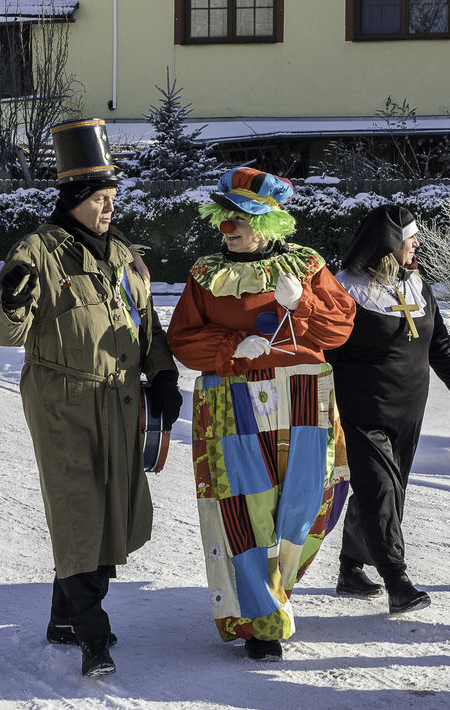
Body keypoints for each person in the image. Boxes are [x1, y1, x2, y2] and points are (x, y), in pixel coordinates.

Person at [0, 118, 182, 678]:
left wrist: (164, 377)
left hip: (118, 401)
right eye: (101, 197)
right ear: (75, 199)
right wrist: (13, 298)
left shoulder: (121, 254)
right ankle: (93, 635)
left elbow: (147, 323)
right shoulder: (38, 250)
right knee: (77, 511)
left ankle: (63, 619)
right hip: (62, 401)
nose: (110, 206)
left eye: (114, 197)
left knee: (112, 508)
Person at [166, 167, 356, 661]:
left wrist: (306, 302)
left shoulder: (307, 266)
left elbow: (339, 333)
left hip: (303, 399)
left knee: (304, 501)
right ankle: (262, 620)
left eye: (242, 219)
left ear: (270, 224)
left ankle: (278, 590)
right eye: (225, 218)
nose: (229, 229)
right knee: (243, 510)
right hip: (233, 400)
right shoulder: (207, 272)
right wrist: (232, 344)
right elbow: (182, 339)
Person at [327, 204, 450, 613]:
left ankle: (350, 567)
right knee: (380, 490)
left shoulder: (417, 285)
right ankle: (397, 580)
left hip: (409, 408)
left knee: (387, 490)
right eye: (411, 238)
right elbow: (321, 346)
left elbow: (440, 345)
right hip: (360, 407)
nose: (417, 244)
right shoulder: (345, 289)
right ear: (389, 244)